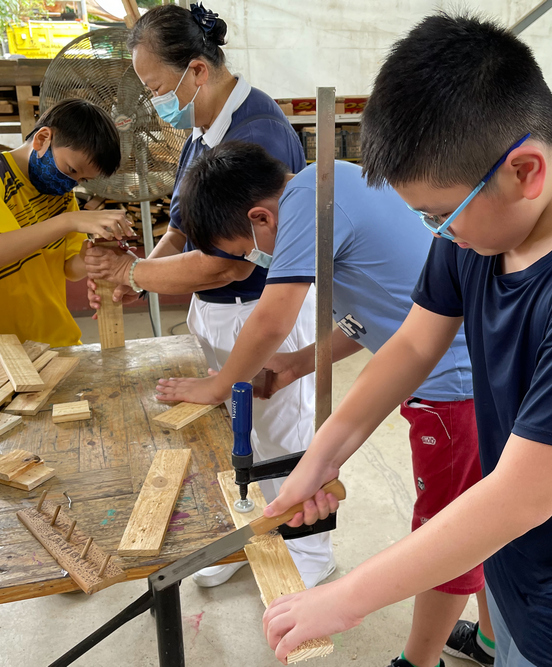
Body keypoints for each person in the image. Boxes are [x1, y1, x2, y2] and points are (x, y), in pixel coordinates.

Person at [260, 13, 552, 667]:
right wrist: (323, 454)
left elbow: (526, 492)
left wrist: (349, 597)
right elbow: (413, 345)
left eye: (439, 213)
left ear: (524, 170)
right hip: (522, 554)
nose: (435, 233)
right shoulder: (480, 229)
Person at [160, 140, 494, 667]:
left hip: (452, 389)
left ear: (259, 216)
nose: (257, 260)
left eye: (249, 251)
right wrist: (297, 364)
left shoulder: (306, 205)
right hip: (457, 371)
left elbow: (270, 319)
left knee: (446, 533)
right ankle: (492, 639)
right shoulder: (331, 178)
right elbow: (380, 311)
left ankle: (418, 663)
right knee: (476, 512)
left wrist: (219, 384)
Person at [83, 3, 333, 588]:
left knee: (282, 434)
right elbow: (182, 224)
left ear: (197, 70)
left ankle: (309, 556)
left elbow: (225, 263)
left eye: (156, 87)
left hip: (259, 307)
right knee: (228, 432)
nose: (154, 101)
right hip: (220, 314)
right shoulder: (203, 128)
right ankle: (241, 536)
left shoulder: (259, 132)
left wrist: (135, 276)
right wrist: (142, 268)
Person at [0, 98, 130, 349]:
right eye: (71, 170)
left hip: (53, 337)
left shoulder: (59, 192)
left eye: (82, 179)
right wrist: (69, 220)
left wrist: (92, 253)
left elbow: (70, 269)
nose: (71, 182)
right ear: (42, 139)